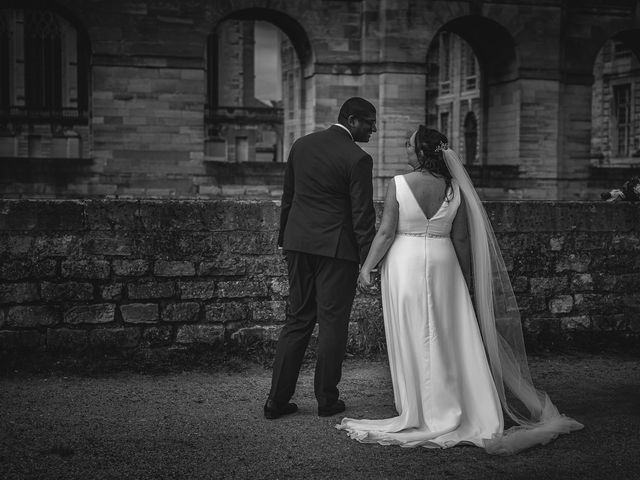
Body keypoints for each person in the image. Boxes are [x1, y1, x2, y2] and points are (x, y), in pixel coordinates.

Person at [336, 126, 584, 455]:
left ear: (423, 152)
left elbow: (385, 232)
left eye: (409, 146)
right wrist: (465, 280)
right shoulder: (455, 187)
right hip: (444, 263)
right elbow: (463, 239)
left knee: (412, 334)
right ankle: (454, 404)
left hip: (405, 263)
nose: (405, 150)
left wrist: (367, 266)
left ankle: (421, 410)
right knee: (447, 334)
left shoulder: (397, 184)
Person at [264, 97, 378, 420]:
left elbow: (289, 197)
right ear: (352, 120)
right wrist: (368, 261)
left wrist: (285, 239)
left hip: (297, 245)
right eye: (369, 122)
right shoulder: (358, 159)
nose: (373, 129)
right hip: (336, 252)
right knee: (332, 324)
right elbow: (362, 219)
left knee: (298, 319)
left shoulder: (302, 145)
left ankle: (275, 401)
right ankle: (327, 401)